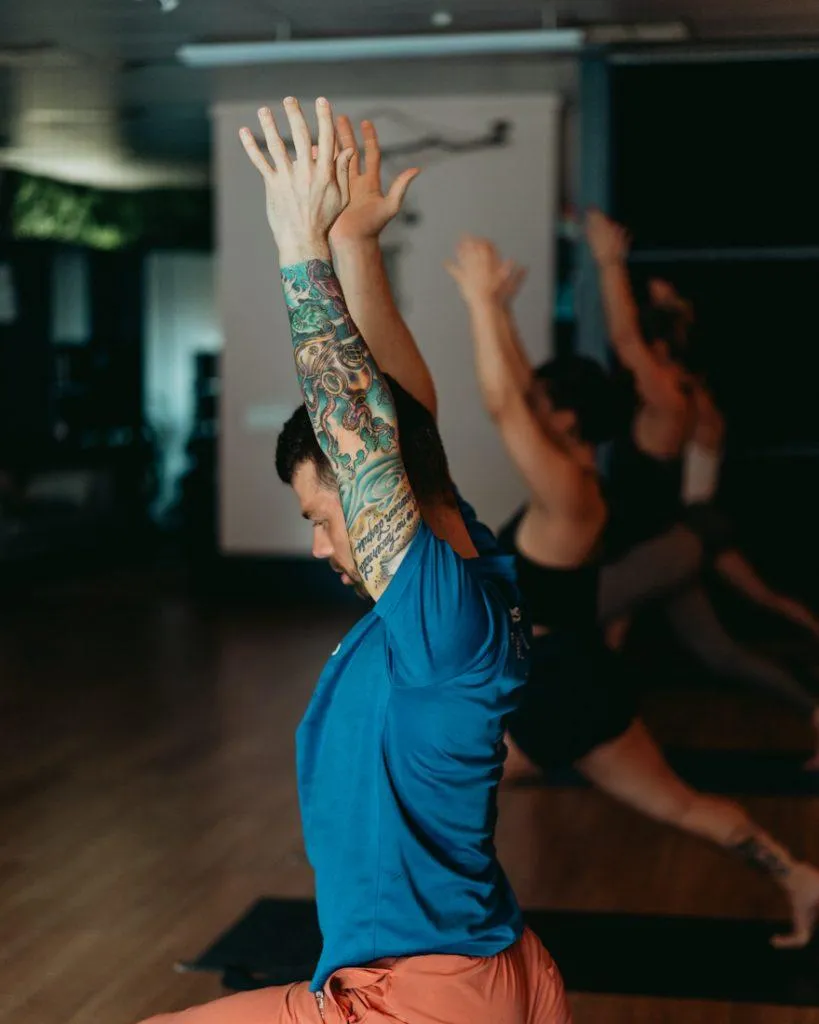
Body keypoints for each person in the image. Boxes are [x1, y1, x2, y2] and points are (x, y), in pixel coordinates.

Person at [139, 100, 571, 1024]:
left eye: (322, 517)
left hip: (422, 996)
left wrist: (301, 248)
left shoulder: (443, 631)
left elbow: (373, 436)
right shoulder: (466, 568)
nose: (320, 544)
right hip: (474, 966)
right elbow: (403, 422)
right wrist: (358, 246)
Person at [446, 233, 819, 951]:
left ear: (566, 421)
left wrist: (476, 306)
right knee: (676, 804)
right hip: (582, 678)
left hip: (549, 687)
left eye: (546, 407)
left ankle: (454, 940)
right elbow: (520, 394)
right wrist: (497, 312)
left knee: (441, 794)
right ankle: (799, 875)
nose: (534, 411)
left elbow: (503, 404)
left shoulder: (566, 494)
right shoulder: (576, 479)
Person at [585, 210, 819, 764]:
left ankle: (594, 734)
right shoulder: (670, 395)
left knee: (589, 626)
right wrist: (668, 308)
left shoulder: (668, 399)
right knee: (717, 653)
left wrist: (608, 263)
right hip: (661, 548)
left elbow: (623, 335)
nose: (631, 357)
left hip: (662, 548)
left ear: (654, 349)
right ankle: (812, 710)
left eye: (644, 345)